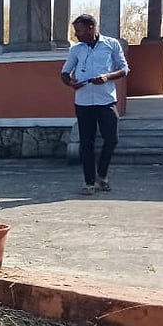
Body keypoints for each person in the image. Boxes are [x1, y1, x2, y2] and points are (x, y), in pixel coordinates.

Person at [59, 14, 130, 195]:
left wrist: (107, 77)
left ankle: (102, 176)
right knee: (86, 143)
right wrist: (70, 83)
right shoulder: (76, 50)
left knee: (112, 139)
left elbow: (124, 69)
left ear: (91, 28)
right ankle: (89, 182)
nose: (77, 35)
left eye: (79, 31)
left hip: (105, 99)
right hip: (83, 101)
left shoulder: (111, 44)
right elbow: (65, 72)